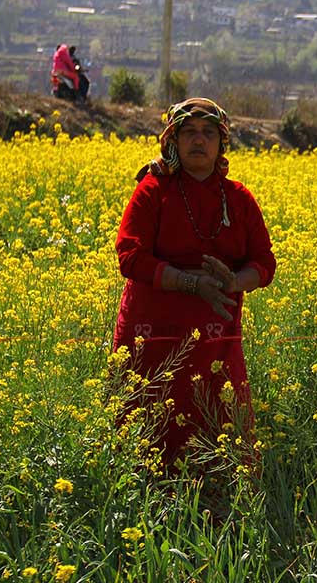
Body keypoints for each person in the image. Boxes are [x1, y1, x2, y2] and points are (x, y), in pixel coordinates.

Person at [113, 97, 276, 469]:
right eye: (188, 132)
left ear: (222, 142)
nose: (198, 141)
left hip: (216, 344)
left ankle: (223, 511)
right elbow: (130, 256)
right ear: (173, 140)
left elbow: (264, 263)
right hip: (152, 339)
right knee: (143, 447)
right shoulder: (154, 190)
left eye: (208, 133)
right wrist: (190, 283)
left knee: (220, 447)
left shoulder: (238, 198)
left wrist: (234, 281)